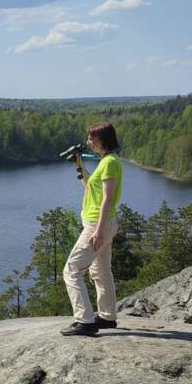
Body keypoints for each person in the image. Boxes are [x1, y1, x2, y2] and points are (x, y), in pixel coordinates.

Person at [60, 122, 123, 336]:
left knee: (72, 270)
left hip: (98, 225)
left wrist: (98, 231)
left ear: (104, 139)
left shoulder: (110, 163)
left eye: (92, 138)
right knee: (101, 271)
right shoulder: (106, 162)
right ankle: (107, 316)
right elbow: (90, 188)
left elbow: (107, 199)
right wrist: (78, 165)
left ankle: (85, 321)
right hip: (102, 224)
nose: (89, 142)